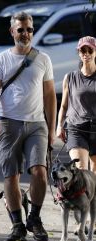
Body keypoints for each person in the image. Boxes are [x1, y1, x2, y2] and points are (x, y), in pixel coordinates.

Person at [0, 11, 57, 241]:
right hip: (8, 123)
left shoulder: (43, 59)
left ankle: (34, 218)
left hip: (37, 124)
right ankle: (17, 224)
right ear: (12, 32)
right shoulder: (3, 59)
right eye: (21, 30)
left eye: (29, 29)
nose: (25, 34)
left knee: (40, 172)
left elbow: (49, 96)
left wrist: (52, 127)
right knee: (12, 176)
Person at [56, 36, 96, 173]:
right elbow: (64, 106)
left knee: (94, 176)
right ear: (79, 53)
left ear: (95, 52)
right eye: (83, 50)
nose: (86, 54)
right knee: (81, 172)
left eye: (90, 50)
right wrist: (59, 125)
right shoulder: (70, 77)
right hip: (76, 129)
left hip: (95, 128)